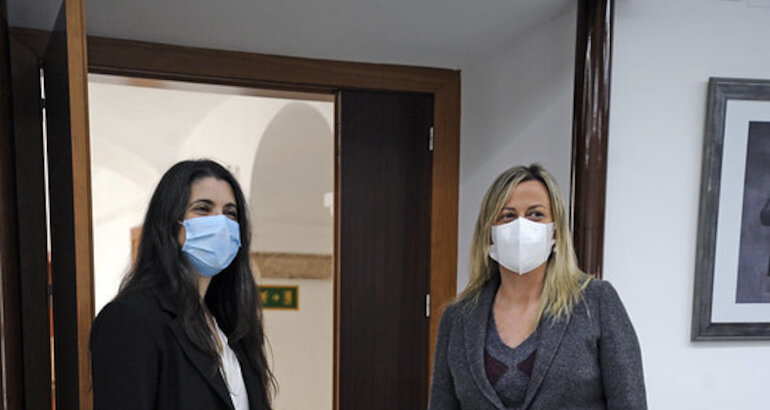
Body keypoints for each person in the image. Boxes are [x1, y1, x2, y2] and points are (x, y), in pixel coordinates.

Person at [428, 164, 646, 410]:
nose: (521, 226)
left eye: (536, 214)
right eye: (507, 216)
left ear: (555, 231)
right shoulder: (457, 318)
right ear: (489, 233)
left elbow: (630, 402)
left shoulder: (596, 302)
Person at [91, 159, 275, 410]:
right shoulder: (132, 317)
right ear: (169, 222)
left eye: (230, 213)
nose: (220, 224)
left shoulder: (231, 326)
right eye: (203, 209)